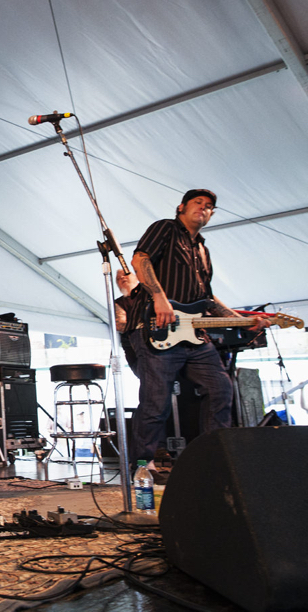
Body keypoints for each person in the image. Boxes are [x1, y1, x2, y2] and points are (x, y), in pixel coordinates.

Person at [126, 189, 268, 475]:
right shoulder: (165, 228)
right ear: (182, 207)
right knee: (156, 401)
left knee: (221, 387)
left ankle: (213, 456)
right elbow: (140, 260)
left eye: (209, 206)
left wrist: (242, 321)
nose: (204, 208)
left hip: (194, 335)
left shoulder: (203, 250)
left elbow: (208, 299)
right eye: (198, 203)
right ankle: (142, 465)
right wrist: (159, 297)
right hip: (157, 330)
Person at [114, 269, 141, 375]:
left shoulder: (150, 296)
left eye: (126, 274)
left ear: (137, 277)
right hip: (134, 349)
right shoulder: (118, 303)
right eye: (118, 279)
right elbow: (121, 326)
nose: (122, 278)